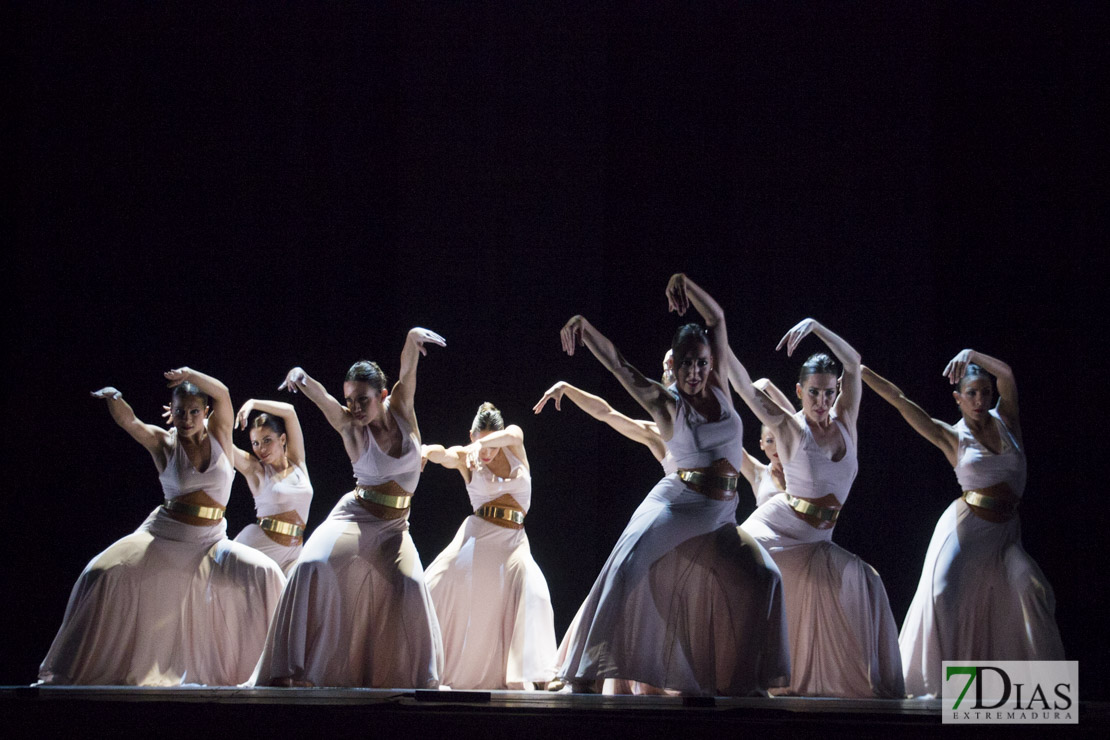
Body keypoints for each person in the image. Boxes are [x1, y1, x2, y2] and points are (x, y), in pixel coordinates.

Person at [553, 274, 789, 696]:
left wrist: (684, 282)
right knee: (626, 567)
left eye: (701, 362)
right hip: (678, 505)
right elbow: (620, 365)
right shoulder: (667, 404)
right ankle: (585, 674)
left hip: (719, 517)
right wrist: (586, 330)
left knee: (765, 577)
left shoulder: (720, 388)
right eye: (686, 365)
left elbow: (715, 318)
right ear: (675, 367)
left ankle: (744, 683)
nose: (695, 372)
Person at [38, 368, 286, 686]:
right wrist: (115, 396)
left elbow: (222, 392)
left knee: (266, 573)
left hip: (210, 542)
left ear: (206, 412)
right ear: (171, 410)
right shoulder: (164, 443)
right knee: (101, 573)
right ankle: (70, 669)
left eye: (194, 411)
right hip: (164, 535)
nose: (186, 418)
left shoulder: (220, 434)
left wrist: (190, 374)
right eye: (180, 411)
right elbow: (131, 423)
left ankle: (276, 670)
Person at [861, 352, 1064, 697]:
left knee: (1031, 588)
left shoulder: (1007, 419)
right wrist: (860, 370)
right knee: (942, 593)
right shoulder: (952, 437)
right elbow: (900, 401)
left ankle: (1044, 690)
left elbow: (1008, 373)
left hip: (1004, 536)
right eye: (971, 393)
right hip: (966, 529)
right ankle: (937, 687)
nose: (980, 399)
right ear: (958, 398)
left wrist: (971, 353)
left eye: (985, 391)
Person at [252, 328, 446, 688]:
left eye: (362, 400)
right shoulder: (350, 426)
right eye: (350, 400)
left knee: (411, 586)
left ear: (382, 396)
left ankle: (415, 680)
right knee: (311, 564)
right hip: (356, 516)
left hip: (395, 528)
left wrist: (410, 338)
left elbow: (407, 372)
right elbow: (323, 399)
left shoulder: (402, 407)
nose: (354, 408)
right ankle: (287, 667)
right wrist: (300, 376)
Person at [734, 320, 904, 698]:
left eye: (829, 393)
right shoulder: (791, 428)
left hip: (816, 541)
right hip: (780, 528)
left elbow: (853, 360)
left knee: (867, 581)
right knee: (753, 579)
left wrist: (815, 326)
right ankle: (748, 676)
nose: (822, 402)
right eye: (813, 393)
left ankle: (877, 688)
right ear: (799, 391)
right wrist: (717, 338)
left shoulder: (846, 420)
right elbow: (745, 386)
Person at [421, 402, 557, 690]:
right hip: (477, 535)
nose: (486, 452)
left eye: (490, 445)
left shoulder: (514, 445)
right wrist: (425, 452)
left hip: (514, 543)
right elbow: (443, 454)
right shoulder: (466, 456)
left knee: (535, 590)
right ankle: (421, 664)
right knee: (433, 585)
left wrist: (482, 445)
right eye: (479, 443)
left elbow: (513, 435)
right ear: (471, 436)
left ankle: (542, 674)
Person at [230, 400, 312, 574]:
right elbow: (223, 444)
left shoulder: (297, 461)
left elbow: (289, 411)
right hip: (259, 548)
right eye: (256, 443)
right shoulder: (257, 471)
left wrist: (253, 403)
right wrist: (204, 424)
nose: (262, 449)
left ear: (282, 439)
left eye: (267, 440)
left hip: (293, 553)